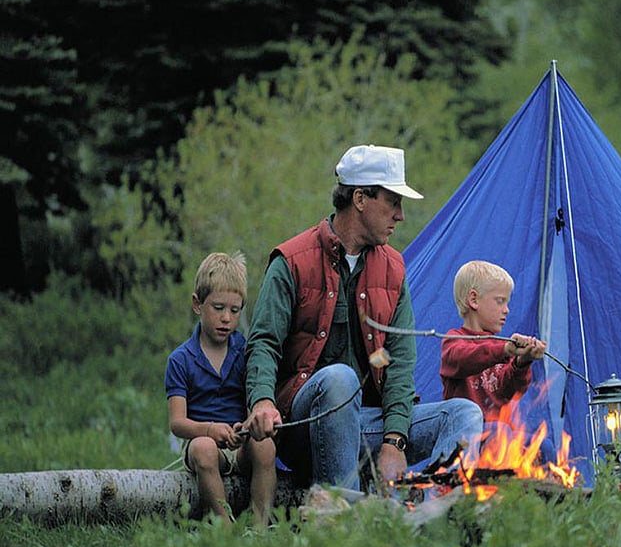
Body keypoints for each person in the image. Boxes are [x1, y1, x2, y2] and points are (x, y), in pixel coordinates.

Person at [242, 144, 483, 491]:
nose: (400, 215)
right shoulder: (292, 261)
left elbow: (397, 361)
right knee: (340, 379)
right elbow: (264, 343)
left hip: (368, 425)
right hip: (304, 427)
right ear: (359, 199)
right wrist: (263, 401)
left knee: (464, 414)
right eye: (393, 202)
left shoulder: (393, 268)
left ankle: (429, 516)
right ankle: (344, 513)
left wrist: (395, 440)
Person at [165, 252, 278, 525]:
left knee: (266, 447)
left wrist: (248, 426)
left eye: (235, 310)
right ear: (197, 304)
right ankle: (224, 527)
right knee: (204, 449)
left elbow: (254, 399)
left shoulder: (245, 351)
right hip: (203, 442)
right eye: (218, 308)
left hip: (238, 445)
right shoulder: (180, 359)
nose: (226, 318)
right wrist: (209, 430)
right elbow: (177, 423)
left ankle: (261, 528)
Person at [440, 260, 556, 464]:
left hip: (501, 437)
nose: (507, 310)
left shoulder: (499, 346)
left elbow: (512, 391)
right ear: (474, 300)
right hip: (466, 436)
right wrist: (503, 350)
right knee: (498, 430)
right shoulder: (454, 339)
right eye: (500, 301)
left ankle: (548, 495)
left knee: (544, 446)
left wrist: (522, 362)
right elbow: (461, 358)